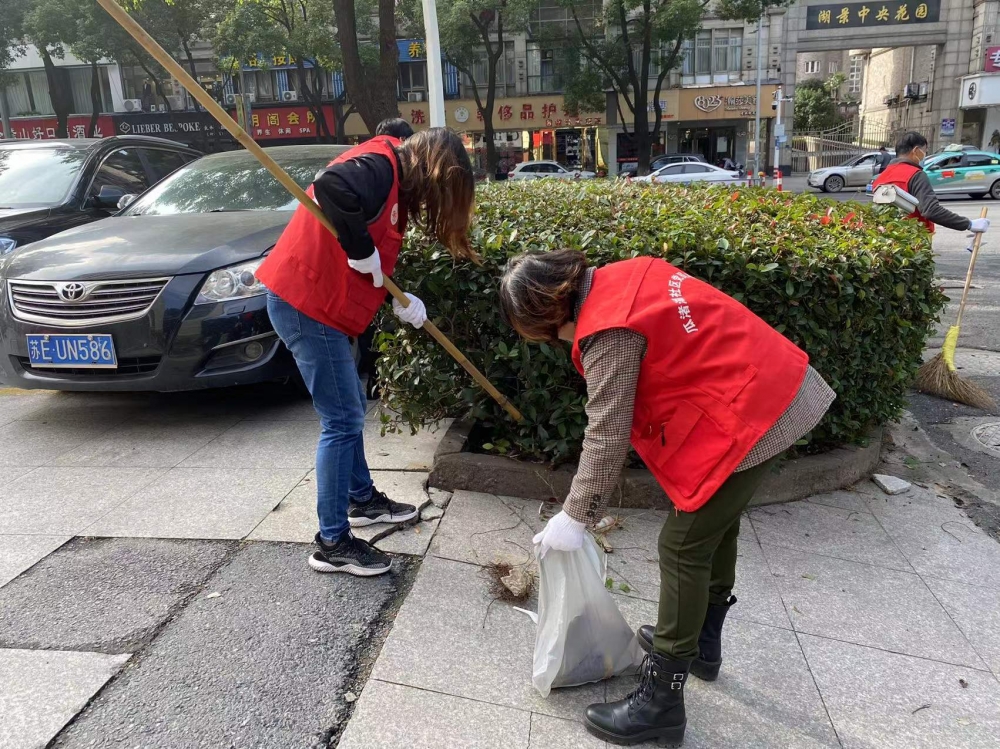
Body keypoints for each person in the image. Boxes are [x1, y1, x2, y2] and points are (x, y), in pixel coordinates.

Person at [499, 250, 836, 746]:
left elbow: (607, 432)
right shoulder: (628, 276)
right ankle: (701, 643)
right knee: (710, 523)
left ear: (550, 311)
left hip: (759, 410)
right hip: (773, 383)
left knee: (682, 545)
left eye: (544, 334)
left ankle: (661, 701)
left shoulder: (607, 331)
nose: (554, 344)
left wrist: (575, 515)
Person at [257, 128, 475, 577]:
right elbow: (332, 187)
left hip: (322, 306)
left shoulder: (391, 176)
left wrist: (401, 298)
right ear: (434, 170)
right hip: (306, 305)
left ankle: (360, 498)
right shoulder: (381, 165)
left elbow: (369, 252)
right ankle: (332, 542)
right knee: (342, 419)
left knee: (349, 407)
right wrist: (360, 249)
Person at [874, 132, 990, 235]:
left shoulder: (880, 177)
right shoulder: (916, 174)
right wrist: (968, 224)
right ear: (915, 151)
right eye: (924, 151)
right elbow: (931, 210)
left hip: (887, 239)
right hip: (914, 241)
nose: (925, 155)